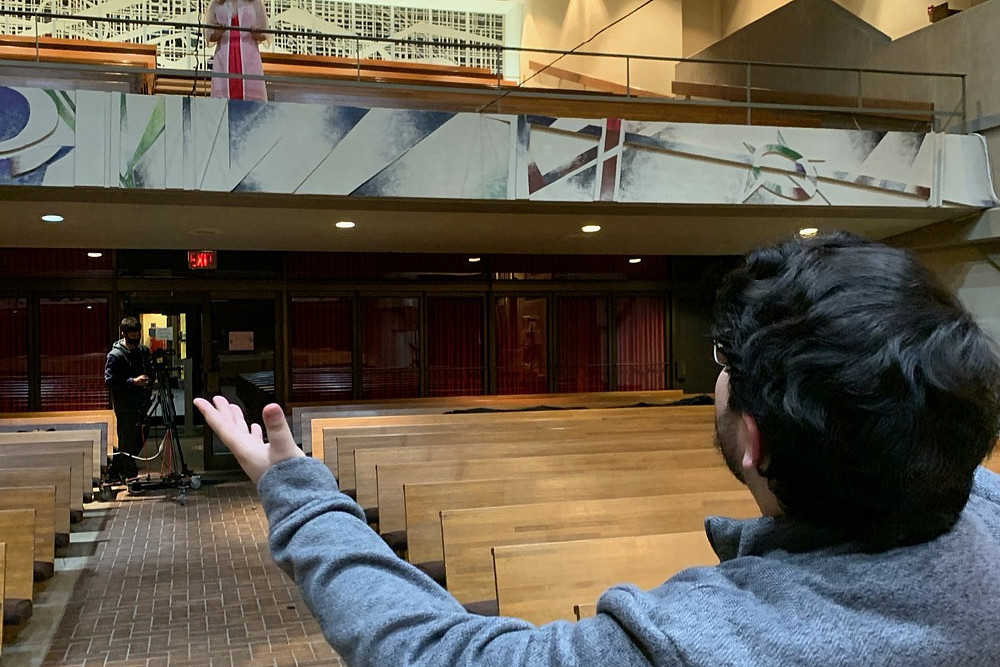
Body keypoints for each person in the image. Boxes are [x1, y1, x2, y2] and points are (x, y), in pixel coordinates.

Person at [195, 232, 1000, 666]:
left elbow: (432, 652)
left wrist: (295, 488)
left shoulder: (701, 643)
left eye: (723, 362)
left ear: (753, 439)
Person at [105, 316, 153, 482]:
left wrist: (148, 381)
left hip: (142, 402)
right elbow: (110, 381)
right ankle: (128, 473)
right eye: (132, 336)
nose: (135, 339)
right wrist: (133, 381)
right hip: (125, 405)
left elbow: (150, 370)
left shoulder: (143, 352)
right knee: (127, 439)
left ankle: (118, 467)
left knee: (142, 434)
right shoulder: (115, 355)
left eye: (137, 335)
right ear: (124, 334)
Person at [204, 0, 269, 101]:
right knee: (223, 99)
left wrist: (256, 33)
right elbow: (209, 36)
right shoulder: (216, 3)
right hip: (224, 57)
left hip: (249, 57)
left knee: (252, 99)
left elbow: (265, 34)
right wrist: (218, 32)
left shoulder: (255, 2)